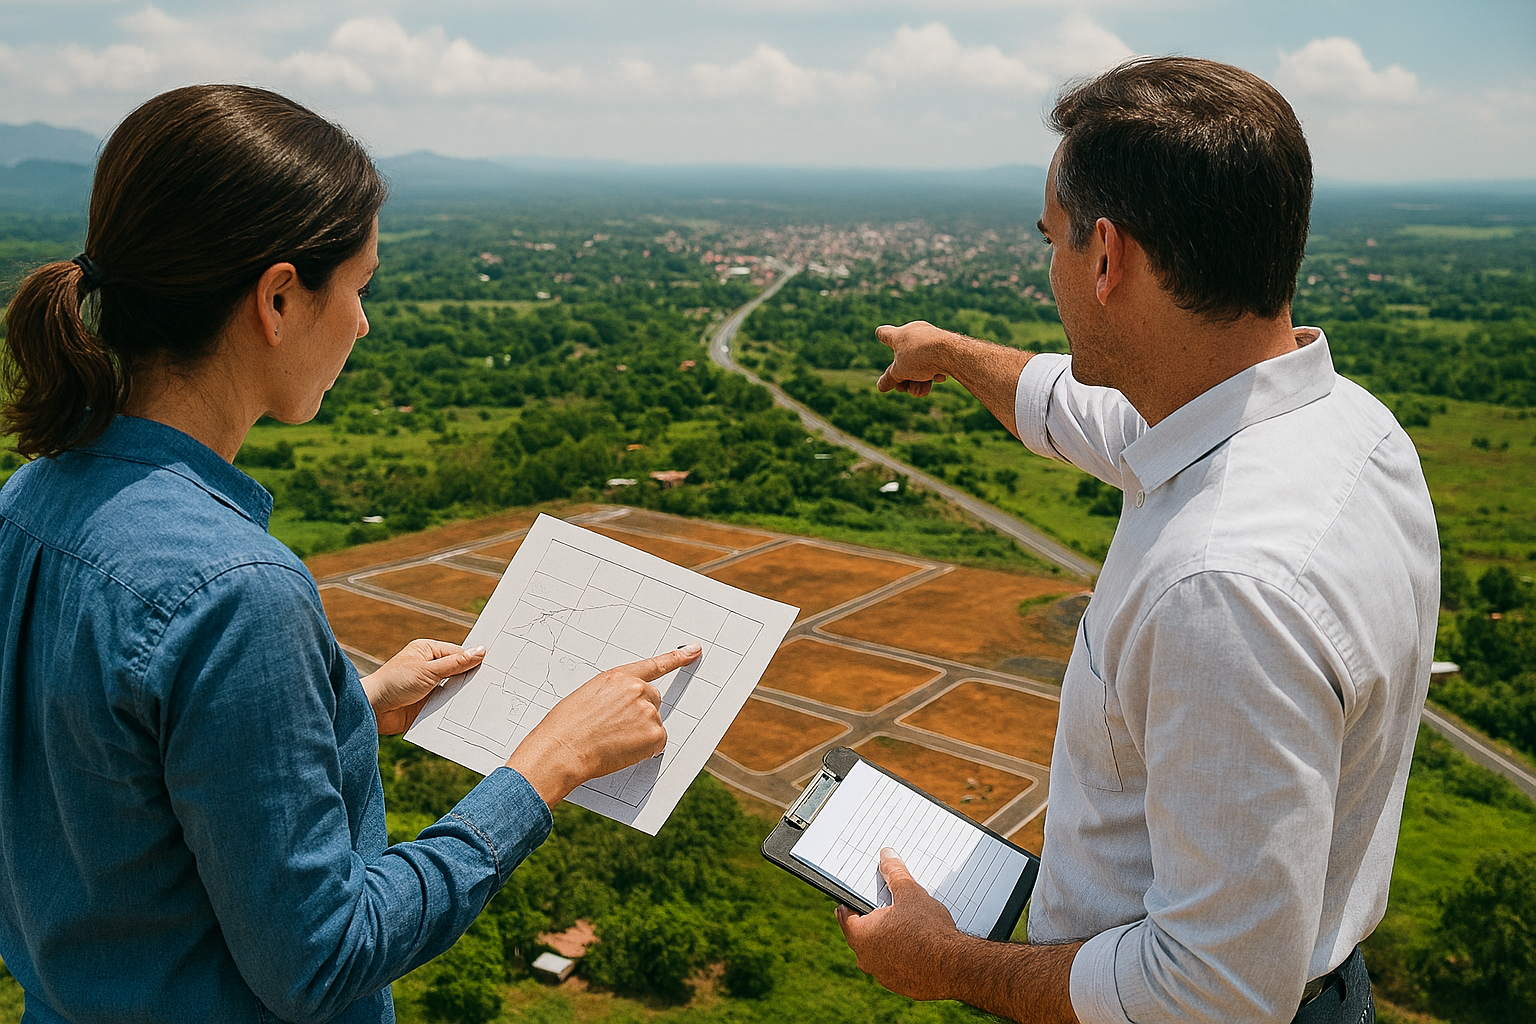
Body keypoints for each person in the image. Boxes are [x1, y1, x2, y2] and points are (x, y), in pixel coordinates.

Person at [0, 84, 698, 1023]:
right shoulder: (236, 591)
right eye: (359, 288)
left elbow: (117, 794)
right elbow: (325, 958)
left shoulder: (29, 500)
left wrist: (347, 710)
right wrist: (547, 767)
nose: (363, 323)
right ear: (279, 298)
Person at [838, 57, 1437, 1024]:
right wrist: (949, 355)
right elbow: (1082, 414)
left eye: (1053, 241)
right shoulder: (1345, 425)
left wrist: (947, 962)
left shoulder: (1223, 587)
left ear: (1107, 257)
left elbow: (1213, 991)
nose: (1051, 270)